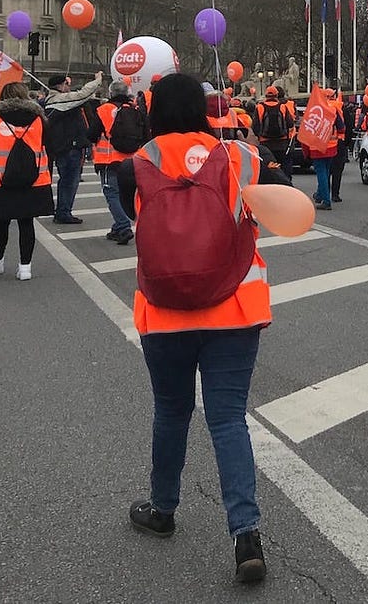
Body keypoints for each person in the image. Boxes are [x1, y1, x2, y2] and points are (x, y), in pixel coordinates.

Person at [114, 73, 270, 584]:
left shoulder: (136, 165)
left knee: (172, 412)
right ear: (204, 108)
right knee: (228, 420)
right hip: (234, 308)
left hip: (164, 311)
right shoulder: (240, 157)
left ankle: (163, 509)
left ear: (155, 110)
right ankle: (245, 534)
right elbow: (282, 194)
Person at [0, 81, 54, 280]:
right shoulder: (39, 120)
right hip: (33, 179)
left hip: (0, 179)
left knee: (2, 221)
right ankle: (25, 267)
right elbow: (49, 150)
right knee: (27, 223)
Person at [43, 72, 103, 224]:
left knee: (67, 180)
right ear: (61, 86)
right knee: (70, 180)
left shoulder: (54, 101)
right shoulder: (59, 100)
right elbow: (83, 94)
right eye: (67, 84)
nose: (69, 88)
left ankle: (62, 211)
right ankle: (63, 212)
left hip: (66, 146)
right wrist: (97, 80)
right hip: (69, 147)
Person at [91, 81, 142, 244]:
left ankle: (123, 225)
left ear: (111, 93)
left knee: (111, 193)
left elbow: (91, 134)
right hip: (131, 159)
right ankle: (118, 225)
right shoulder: (134, 109)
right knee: (125, 193)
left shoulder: (103, 109)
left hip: (108, 159)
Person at [254, 86, 295, 179]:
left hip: (265, 143)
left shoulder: (260, 107)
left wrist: (259, 137)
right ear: (277, 95)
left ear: (266, 95)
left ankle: (269, 184)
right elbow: (290, 123)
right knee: (283, 166)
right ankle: (284, 184)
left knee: (267, 167)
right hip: (281, 143)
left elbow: (255, 126)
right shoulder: (282, 107)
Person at [329, 96, 357, 203]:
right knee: (337, 170)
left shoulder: (322, 108)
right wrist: (347, 143)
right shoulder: (341, 109)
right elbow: (348, 127)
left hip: (324, 144)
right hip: (340, 143)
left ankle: (324, 193)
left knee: (325, 170)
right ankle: (335, 194)